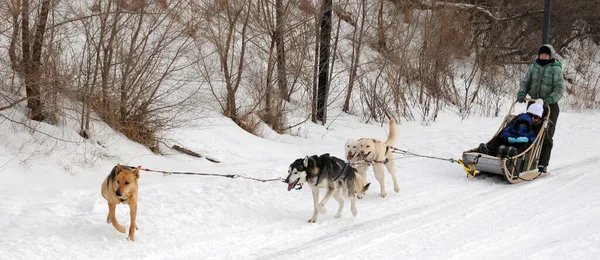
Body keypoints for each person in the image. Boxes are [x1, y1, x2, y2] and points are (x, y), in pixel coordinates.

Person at [516, 44, 565, 173]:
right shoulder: (533, 67)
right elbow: (525, 82)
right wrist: (522, 93)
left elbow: (560, 89)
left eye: (546, 54)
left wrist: (548, 100)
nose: (543, 56)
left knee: (546, 134)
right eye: (542, 54)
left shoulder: (556, 69)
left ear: (551, 55)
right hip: (533, 105)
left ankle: (542, 164)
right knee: (527, 131)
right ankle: (525, 161)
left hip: (549, 107)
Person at [479, 100, 544, 157]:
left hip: (520, 147)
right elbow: (507, 130)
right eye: (530, 115)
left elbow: (534, 139)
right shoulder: (518, 121)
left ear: (539, 118)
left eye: (536, 117)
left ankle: (515, 153)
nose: (532, 118)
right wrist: (509, 137)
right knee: (499, 137)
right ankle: (488, 150)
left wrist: (527, 139)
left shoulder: (535, 128)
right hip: (510, 141)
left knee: (526, 144)